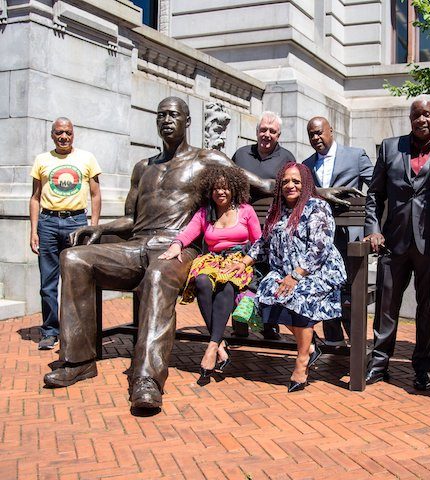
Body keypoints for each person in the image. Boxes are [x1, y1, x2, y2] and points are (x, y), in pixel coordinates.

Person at [42, 97, 274, 410]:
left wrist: (318, 190)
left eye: (173, 115)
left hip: (178, 248)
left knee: (157, 275)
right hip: (136, 245)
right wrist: (99, 228)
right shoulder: (143, 168)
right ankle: (78, 361)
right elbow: (132, 219)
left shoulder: (207, 159)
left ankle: (147, 379)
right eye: (161, 115)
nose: (166, 120)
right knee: (75, 258)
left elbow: (265, 185)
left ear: (188, 121)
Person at [224, 163, 346, 392]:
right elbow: (263, 243)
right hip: (283, 271)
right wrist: (243, 262)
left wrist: (296, 276)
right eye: (286, 181)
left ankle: (301, 361)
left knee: (295, 296)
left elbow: (319, 248)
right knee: (267, 295)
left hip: (318, 271)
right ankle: (310, 347)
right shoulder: (276, 209)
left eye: (296, 181)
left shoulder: (317, 207)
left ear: (306, 184)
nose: (290, 185)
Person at [364, 95, 430, 390]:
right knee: (386, 306)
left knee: (427, 310)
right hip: (393, 241)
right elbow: (375, 195)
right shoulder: (391, 147)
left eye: (427, 114)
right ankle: (379, 364)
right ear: (410, 118)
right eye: (416, 115)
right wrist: (373, 228)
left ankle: (422, 367)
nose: (422, 120)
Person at [158, 165, 261, 383]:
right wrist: (176, 245)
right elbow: (188, 233)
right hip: (212, 260)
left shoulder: (245, 211)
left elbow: (260, 242)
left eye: (225, 188)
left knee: (226, 285)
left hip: (239, 261)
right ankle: (219, 345)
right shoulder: (205, 212)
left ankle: (212, 346)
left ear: (233, 188)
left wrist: (244, 263)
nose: (220, 192)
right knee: (202, 282)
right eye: (215, 189)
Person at [29, 117, 102, 350]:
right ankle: (50, 331)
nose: (63, 137)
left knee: (77, 280)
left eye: (68, 133)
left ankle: (76, 330)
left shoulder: (87, 158)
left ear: (73, 134)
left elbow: (96, 194)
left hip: (76, 222)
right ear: (52, 134)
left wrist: (93, 226)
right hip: (48, 222)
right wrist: (33, 230)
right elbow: (35, 197)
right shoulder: (42, 160)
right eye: (59, 133)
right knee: (48, 282)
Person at [302, 116, 373, 346]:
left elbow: (376, 188)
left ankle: (357, 343)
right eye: (312, 134)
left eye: (320, 132)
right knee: (324, 286)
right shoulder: (306, 164)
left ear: (331, 131)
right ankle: (333, 342)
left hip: (349, 236)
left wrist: (372, 227)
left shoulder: (355, 155)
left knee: (349, 292)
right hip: (320, 239)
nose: (316, 137)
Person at [231, 111, 295, 339]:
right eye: (263, 130)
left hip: (272, 229)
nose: (266, 135)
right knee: (240, 270)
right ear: (257, 131)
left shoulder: (287, 157)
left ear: (279, 135)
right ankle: (238, 321)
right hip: (241, 226)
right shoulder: (240, 155)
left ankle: (270, 324)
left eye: (272, 131)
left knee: (271, 274)